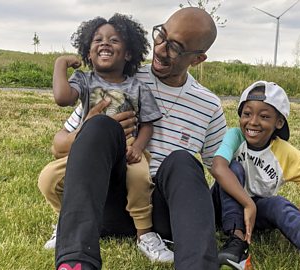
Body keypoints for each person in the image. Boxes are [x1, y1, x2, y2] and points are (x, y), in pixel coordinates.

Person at [52, 7, 226, 270]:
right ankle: (76, 262)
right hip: (113, 201)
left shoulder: (209, 105)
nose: (160, 49)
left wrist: (248, 205)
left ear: (198, 58)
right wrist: (86, 129)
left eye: (175, 47)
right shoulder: (121, 77)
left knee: (183, 161)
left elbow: (220, 168)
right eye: (161, 36)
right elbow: (59, 145)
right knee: (100, 126)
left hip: (162, 212)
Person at [44, 13, 175, 263]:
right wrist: (60, 63)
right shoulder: (84, 80)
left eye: (114, 40)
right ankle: (65, 223)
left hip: (127, 150)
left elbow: (147, 123)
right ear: (88, 53)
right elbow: (62, 98)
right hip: (88, 149)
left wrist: (138, 146)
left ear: (128, 53)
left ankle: (145, 233)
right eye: (97, 40)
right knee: (49, 178)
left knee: (139, 179)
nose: (105, 43)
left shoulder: (138, 88)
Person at [211, 81, 300, 270]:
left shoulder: (283, 152)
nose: (252, 122)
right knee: (233, 168)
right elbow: (219, 168)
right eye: (247, 113)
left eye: (264, 116)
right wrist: (247, 203)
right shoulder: (235, 136)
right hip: (219, 206)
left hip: (256, 213)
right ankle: (237, 241)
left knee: (279, 204)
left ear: (279, 122)